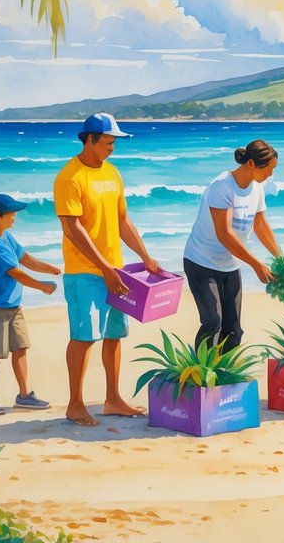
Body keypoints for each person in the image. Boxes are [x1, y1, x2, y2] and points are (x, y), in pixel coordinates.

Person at [54, 113, 163, 427]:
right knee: (84, 336)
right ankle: (75, 404)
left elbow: (122, 220)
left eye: (115, 143)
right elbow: (73, 229)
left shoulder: (113, 173)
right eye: (108, 142)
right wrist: (104, 267)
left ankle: (113, 399)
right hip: (84, 271)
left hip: (115, 270)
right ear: (90, 140)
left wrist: (145, 256)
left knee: (114, 335)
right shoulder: (69, 177)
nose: (113, 148)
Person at [182, 140, 282, 353]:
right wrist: (257, 265)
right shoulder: (222, 186)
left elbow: (260, 224)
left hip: (229, 266)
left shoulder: (257, 189)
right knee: (212, 321)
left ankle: (224, 377)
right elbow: (224, 234)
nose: (271, 175)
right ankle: (200, 377)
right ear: (252, 164)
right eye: (269, 169)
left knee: (234, 330)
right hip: (201, 262)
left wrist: (279, 257)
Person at [0, 193, 62, 415]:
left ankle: (23, 395)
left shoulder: (6, 236)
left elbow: (25, 258)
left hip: (13, 305)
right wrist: (42, 286)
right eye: (11, 214)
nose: (14, 218)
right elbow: (17, 273)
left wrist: (49, 268)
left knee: (20, 348)